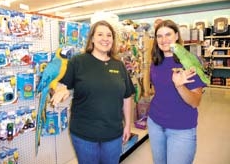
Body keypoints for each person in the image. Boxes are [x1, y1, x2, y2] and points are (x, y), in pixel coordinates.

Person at [51, 20, 135, 164]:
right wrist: (58, 91)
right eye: (100, 34)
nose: (105, 38)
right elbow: (61, 86)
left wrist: (127, 125)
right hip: (84, 134)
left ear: (113, 40)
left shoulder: (119, 65)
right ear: (92, 38)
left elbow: (127, 97)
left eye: (109, 35)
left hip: (113, 134)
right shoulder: (78, 62)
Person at [147, 19, 207, 164]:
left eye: (168, 34)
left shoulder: (188, 61)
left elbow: (195, 102)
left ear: (176, 36)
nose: (164, 40)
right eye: (159, 36)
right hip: (155, 123)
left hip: (181, 128)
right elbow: (159, 91)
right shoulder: (156, 61)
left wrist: (180, 86)